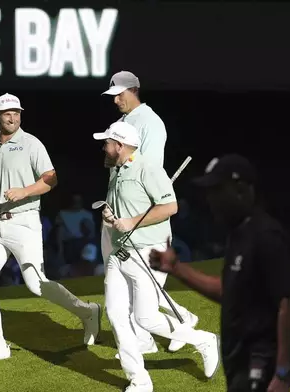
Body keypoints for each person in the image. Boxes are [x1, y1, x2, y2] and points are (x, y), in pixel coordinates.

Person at [0, 93, 101, 366]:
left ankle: (87, 312)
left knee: (36, 285)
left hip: (24, 221)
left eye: (17, 113)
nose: (12, 117)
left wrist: (25, 191)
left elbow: (51, 179)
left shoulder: (31, 143)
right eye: (7, 113)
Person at [149, 154, 290, 392]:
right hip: (241, 364)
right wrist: (177, 268)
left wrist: (283, 374)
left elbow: (289, 304)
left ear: (241, 189)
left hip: (261, 365)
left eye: (217, 191)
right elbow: (230, 291)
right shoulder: (239, 235)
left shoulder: (267, 236)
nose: (211, 200)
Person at [94, 121, 219, 392]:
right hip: (120, 252)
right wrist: (111, 215)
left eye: (107, 143)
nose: (104, 147)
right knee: (116, 315)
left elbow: (170, 206)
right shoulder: (115, 170)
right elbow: (124, 209)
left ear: (120, 145)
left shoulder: (148, 168)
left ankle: (203, 340)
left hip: (149, 251)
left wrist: (132, 221)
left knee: (145, 318)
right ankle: (139, 380)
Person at [101, 70, 198, 354]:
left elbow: (148, 171)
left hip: (137, 217)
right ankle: (156, 333)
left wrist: (136, 217)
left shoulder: (150, 122)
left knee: (137, 282)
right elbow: (115, 165)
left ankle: (170, 327)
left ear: (133, 90)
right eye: (113, 95)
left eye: (119, 94)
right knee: (126, 278)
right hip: (116, 213)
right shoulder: (121, 122)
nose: (115, 100)